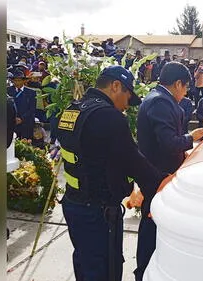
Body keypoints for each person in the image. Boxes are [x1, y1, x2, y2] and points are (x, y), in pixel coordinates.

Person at [57, 65, 167, 281]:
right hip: (98, 213)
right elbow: (134, 162)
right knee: (105, 270)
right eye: (127, 97)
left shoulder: (72, 110)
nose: (126, 106)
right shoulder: (109, 117)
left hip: (74, 205)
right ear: (116, 86)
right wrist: (164, 183)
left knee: (85, 264)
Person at [135, 62, 203, 281]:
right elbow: (169, 143)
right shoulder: (161, 102)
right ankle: (144, 272)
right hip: (158, 176)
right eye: (186, 88)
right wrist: (192, 137)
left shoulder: (156, 97)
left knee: (155, 222)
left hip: (157, 172)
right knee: (152, 223)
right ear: (178, 84)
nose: (185, 93)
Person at [7, 70, 36, 140]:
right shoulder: (7, 91)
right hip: (11, 123)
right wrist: (14, 118)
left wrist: (22, 119)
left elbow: (32, 109)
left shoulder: (31, 92)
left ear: (23, 81)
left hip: (26, 122)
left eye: (19, 80)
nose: (17, 82)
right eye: (15, 80)